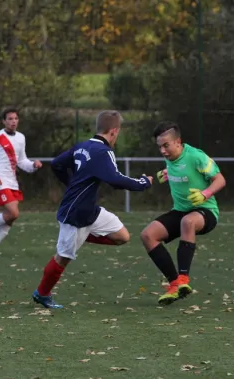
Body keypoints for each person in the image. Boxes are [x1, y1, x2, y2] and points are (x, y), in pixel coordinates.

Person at [32, 110, 153, 309]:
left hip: (89, 211)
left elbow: (56, 164)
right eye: (118, 133)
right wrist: (143, 182)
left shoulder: (83, 146)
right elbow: (115, 179)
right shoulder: (103, 152)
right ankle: (42, 293)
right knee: (62, 258)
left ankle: (85, 235)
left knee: (122, 236)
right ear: (114, 131)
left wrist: (70, 184)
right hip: (75, 214)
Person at [140, 122, 226, 305]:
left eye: (166, 146)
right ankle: (174, 285)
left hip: (206, 211)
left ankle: (183, 279)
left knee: (187, 222)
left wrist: (205, 194)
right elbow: (180, 169)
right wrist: (167, 173)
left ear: (178, 142)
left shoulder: (196, 156)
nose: (163, 151)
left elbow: (220, 180)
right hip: (180, 211)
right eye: (160, 147)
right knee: (148, 235)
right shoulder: (170, 158)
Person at [0, 107, 42, 258]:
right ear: (3, 121)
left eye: (16, 119)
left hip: (12, 182)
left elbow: (21, 161)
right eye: (10, 119)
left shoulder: (21, 138)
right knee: (13, 212)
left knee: (12, 217)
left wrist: (32, 166)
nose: (13, 121)